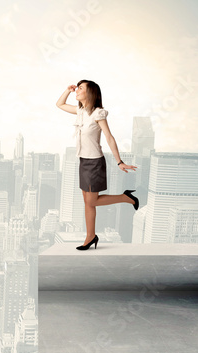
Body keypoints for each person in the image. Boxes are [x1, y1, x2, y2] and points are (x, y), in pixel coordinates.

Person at [56, 80, 139, 250]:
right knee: (87, 202)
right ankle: (90, 236)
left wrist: (119, 162)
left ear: (90, 93)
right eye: (77, 87)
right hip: (83, 161)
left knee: (92, 201)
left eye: (80, 88)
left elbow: (109, 137)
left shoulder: (98, 113)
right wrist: (67, 90)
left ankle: (126, 198)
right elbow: (60, 104)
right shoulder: (79, 111)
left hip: (94, 163)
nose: (77, 90)